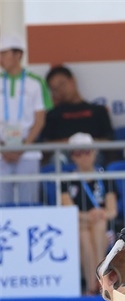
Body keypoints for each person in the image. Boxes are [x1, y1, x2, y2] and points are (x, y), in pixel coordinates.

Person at [61, 133, 117, 295]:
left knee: (97, 225)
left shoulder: (105, 178)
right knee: (84, 233)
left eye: (87, 152)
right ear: (72, 157)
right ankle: (98, 280)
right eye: (78, 153)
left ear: (94, 153)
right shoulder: (67, 180)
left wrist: (99, 214)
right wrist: (89, 216)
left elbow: (112, 211)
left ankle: (92, 284)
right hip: (79, 227)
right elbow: (67, 209)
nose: (83, 157)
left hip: (104, 228)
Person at [0, 33, 52, 205]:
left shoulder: (35, 82)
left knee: (28, 203)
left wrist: (22, 146)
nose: (0, 58)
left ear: (18, 54)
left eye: (3, 53)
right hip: (1, 151)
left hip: (28, 151)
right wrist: (4, 146)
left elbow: (40, 120)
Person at [40, 65, 116, 167]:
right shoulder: (52, 115)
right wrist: (69, 143)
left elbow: (109, 141)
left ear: (73, 81)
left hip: (92, 154)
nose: (60, 91)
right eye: (55, 89)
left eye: (62, 84)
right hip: (64, 155)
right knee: (57, 159)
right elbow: (45, 145)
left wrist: (87, 142)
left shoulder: (98, 111)